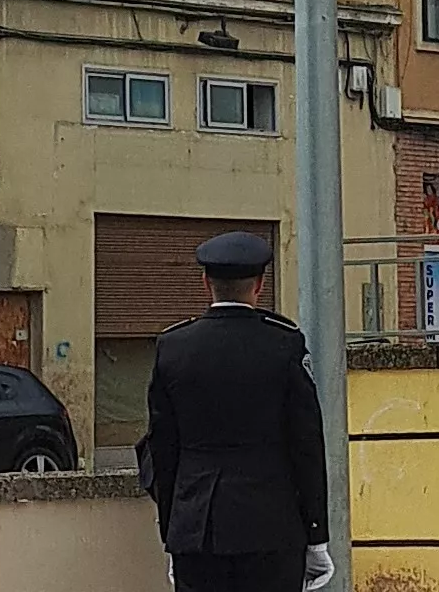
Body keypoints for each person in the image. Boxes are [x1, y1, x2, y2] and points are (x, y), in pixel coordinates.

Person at [141, 232, 333, 592]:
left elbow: (162, 451)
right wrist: (316, 535)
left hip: (198, 529)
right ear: (259, 285)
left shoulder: (173, 347)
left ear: (205, 283)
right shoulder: (283, 344)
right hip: (272, 529)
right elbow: (306, 445)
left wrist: (173, 530)